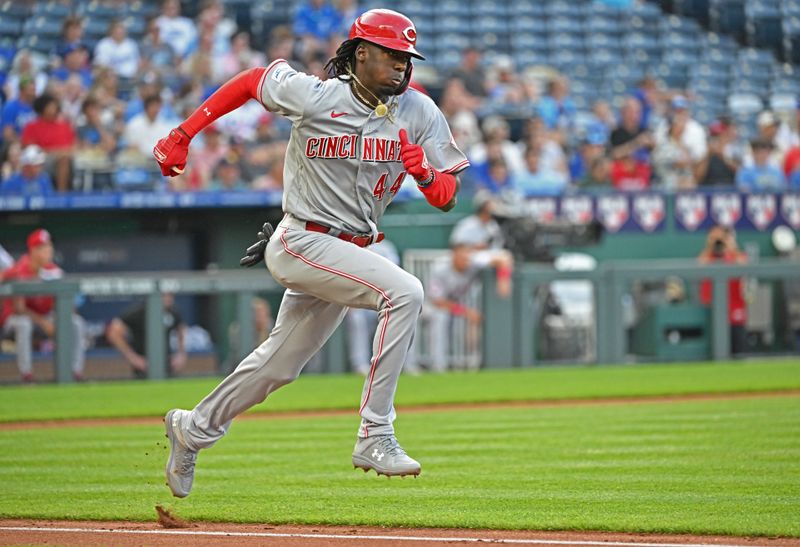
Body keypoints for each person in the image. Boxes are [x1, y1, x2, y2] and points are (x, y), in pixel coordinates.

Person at [152, 9, 469, 497]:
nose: (402, 65)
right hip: (302, 239)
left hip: (348, 252)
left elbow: (448, 196)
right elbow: (252, 81)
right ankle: (375, 433)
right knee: (404, 292)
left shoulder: (419, 111)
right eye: (391, 54)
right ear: (361, 52)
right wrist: (184, 134)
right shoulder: (318, 94)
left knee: (277, 368)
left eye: (408, 57)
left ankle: (192, 428)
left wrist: (425, 175)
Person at [0, 229, 86, 383]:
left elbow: (69, 305)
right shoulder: (19, 269)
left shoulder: (54, 272)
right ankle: (27, 375)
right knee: (24, 324)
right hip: (16, 318)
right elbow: (19, 309)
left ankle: (74, 372)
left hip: (44, 316)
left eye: (49, 246)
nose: (49, 251)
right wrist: (44, 322)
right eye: (44, 247)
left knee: (76, 323)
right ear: (33, 250)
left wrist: (61, 317)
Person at [424, 242, 513, 372]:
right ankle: (437, 366)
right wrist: (466, 312)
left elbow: (504, 257)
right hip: (429, 305)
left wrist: (503, 279)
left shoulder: (473, 261)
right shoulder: (440, 268)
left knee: (472, 321)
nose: (466, 259)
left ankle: (472, 364)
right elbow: (437, 301)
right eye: (462, 255)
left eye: (468, 255)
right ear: (453, 255)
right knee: (440, 316)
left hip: (458, 305)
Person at [345, 239, 401, 375]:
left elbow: (393, 273)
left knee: (403, 314)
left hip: (382, 300)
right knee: (357, 318)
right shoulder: (351, 244)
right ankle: (360, 365)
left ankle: (400, 365)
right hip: (359, 302)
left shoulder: (386, 247)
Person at [105, 293, 187, 379]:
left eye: (170, 295)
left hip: (167, 364)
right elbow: (113, 332)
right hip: (144, 365)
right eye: (164, 295)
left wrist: (181, 354)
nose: (169, 299)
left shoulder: (173, 311)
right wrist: (133, 358)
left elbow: (181, 328)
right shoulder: (138, 312)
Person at [698, 224, 748, 354]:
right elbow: (699, 266)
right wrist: (711, 245)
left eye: (722, 237)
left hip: (734, 315)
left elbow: (744, 266)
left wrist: (730, 246)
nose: (719, 241)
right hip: (710, 314)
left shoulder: (735, 256)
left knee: (738, 356)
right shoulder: (708, 257)